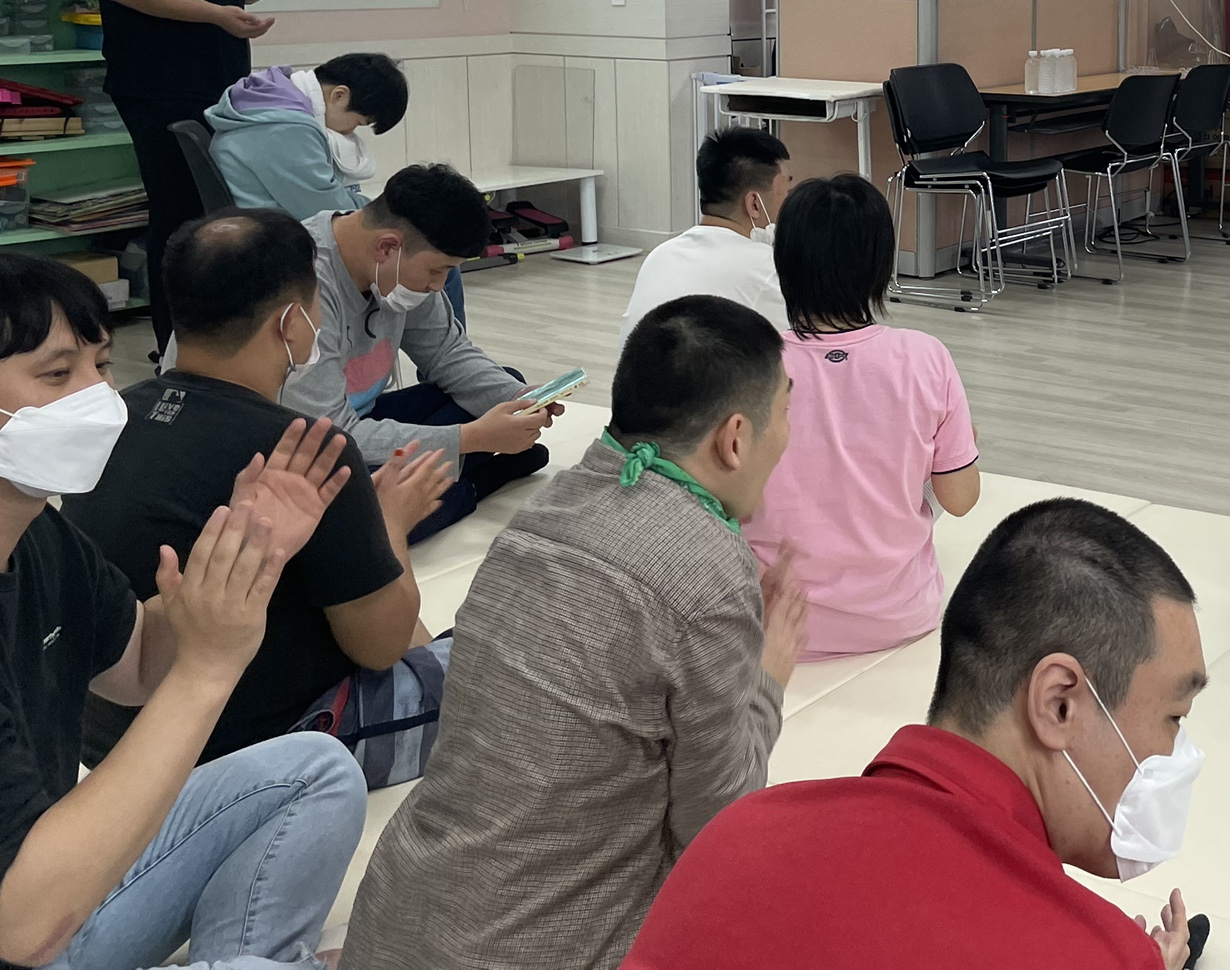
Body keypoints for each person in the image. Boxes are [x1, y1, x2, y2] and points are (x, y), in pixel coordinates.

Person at [343, 296, 805, 970]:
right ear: (734, 438)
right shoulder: (708, 568)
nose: (787, 434)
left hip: (391, 917)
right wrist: (767, 680)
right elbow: (715, 824)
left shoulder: (543, 511)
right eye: (785, 411)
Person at [626, 499, 1207, 970]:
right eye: (1174, 717)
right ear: (1059, 703)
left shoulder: (738, 836)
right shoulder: (1088, 951)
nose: (1181, 753)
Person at [0, 252, 368, 970]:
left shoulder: (39, 534)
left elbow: (137, 663)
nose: (98, 396)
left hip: (53, 899)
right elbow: (23, 929)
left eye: (100, 366)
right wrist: (209, 669)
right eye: (57, 374)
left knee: (315, 768)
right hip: (30, 918)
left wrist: (245, 554)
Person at [68, 209, 454, 768]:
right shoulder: (307, 452)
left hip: (107, 739)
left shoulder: (112, 418)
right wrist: (391, 520)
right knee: (494, 673)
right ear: (291, 323)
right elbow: (380, 648)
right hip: (262, 745)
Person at [93, 0, 297, 348]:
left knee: (218, 211)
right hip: (155, 81)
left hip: (222, 82)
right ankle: (174, 345)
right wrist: (215, 14)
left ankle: (219, 335)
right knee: (179, 211)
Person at [748, 174, 980, 658]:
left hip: (775, 625)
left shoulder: (750, 362)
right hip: (902, 615)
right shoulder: (926, 356)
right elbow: (960, 499)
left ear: (784, 263)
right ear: (881, 264)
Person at [283, 163, 559, 540]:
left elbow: (447, 352)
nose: (438, 286)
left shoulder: (396, 262)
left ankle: (450, 483)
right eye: (436, 271)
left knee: (503, 387)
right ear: (387, 247)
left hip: (363, 419)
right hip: (301, 449)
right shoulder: (301, 280)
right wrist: (471, 438)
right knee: (361, 519)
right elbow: (329, 436)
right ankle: (472, 485)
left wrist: (521, 399)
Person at [619, 126, 793, 345]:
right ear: (754, 204)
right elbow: (800, 346)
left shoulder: (659, 256)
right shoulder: (766, 268)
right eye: (786, 193)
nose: (789, 203)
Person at [204, 52, 409, 220]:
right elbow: (328, 211)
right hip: (269, 236)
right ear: (339, 95)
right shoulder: (286, 128)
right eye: (358, 122)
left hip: (253, 223)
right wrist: (386, 211)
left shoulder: (267, 101)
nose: (350, 132)